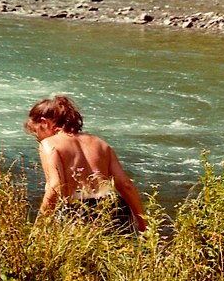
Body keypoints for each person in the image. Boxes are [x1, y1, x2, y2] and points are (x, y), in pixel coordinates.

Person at [24, 95, 147, 232]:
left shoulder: (49, 144)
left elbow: (55, 187)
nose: (38, 138)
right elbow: (125, 184)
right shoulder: (100, 143)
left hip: (81, 213)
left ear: (44, 123)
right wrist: (143, 222)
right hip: (115, 209)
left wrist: (39, 227)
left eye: (36, 132)